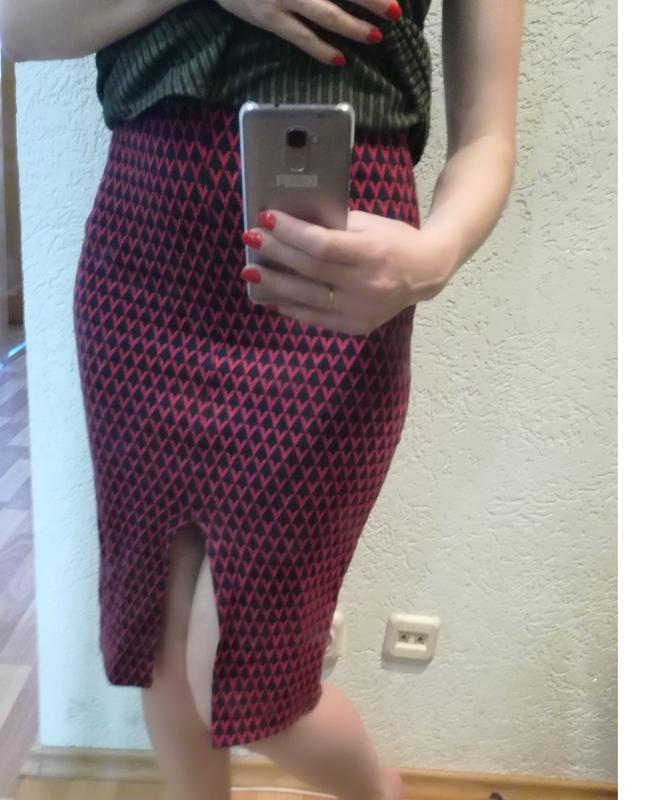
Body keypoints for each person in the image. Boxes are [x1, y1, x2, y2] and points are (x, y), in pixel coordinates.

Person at [0, 1, 524, 799]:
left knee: (243, 678)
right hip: (143, 278)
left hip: (335, 292)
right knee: (159, 643)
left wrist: (435, 256)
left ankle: (381, 794)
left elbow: (488, 136)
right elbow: (17, 27)